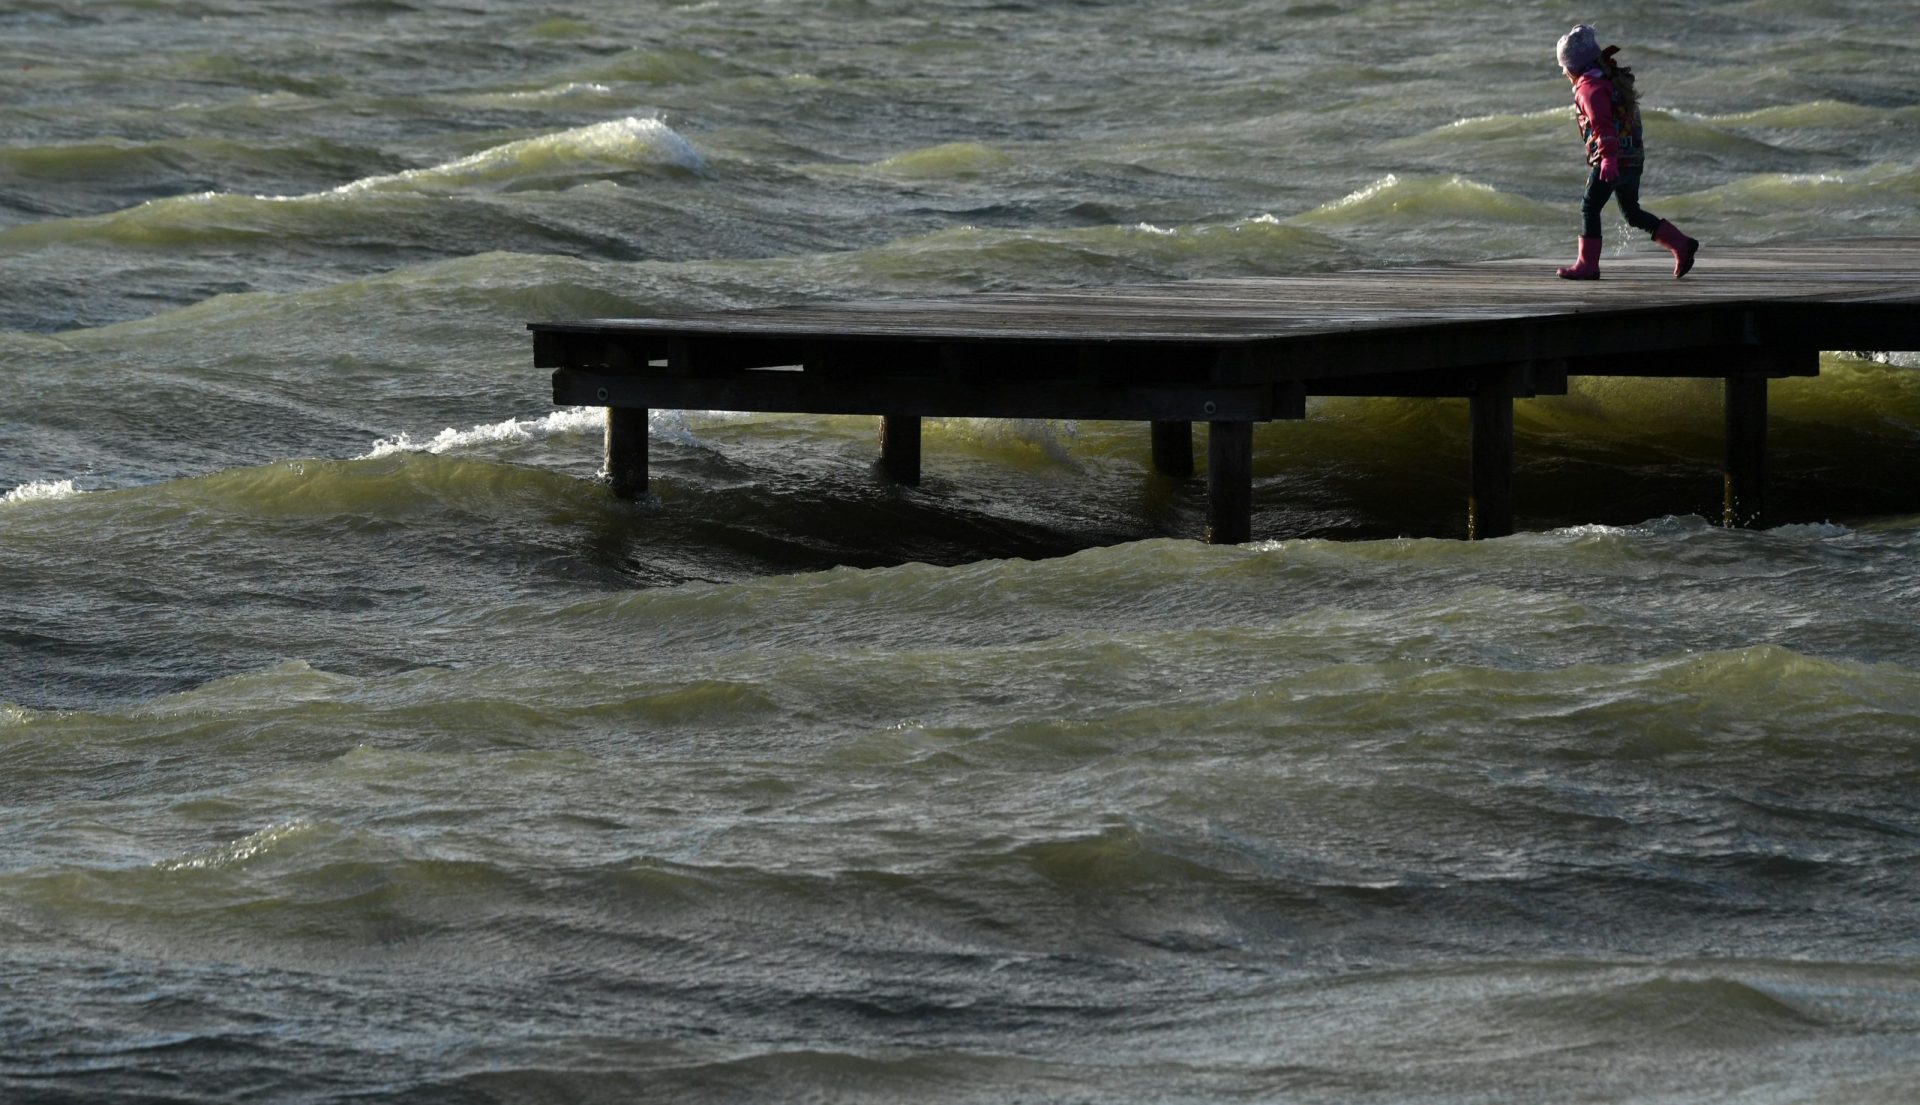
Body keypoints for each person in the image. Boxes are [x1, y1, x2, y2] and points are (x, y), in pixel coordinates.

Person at [1553, 25, 1699, 280]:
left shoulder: (1590, 88)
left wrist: (1608, 158)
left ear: (1574, 67)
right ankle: (1681, 244)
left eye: (1564, 68)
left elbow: (1602, 125)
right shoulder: (1610, 78)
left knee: (1590, 207)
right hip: (1632, 157)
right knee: (1632, 212)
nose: (1564, 73)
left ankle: (1588, 265)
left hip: (1613, 159)